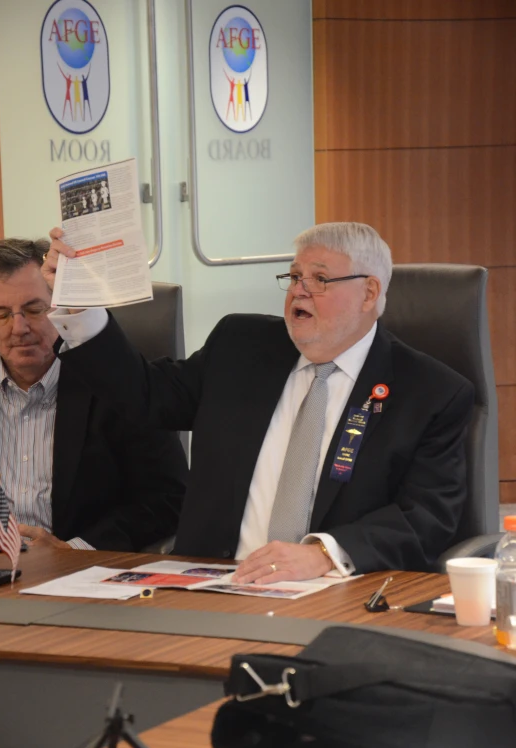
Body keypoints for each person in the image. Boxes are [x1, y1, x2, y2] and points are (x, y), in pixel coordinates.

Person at [43, 222, 473, 578]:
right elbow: (145, 395)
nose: (298, 291)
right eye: (294, 276)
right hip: (209, 584)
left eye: (319, 279)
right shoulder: (241, 347)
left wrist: (323, 555)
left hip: (337, 591)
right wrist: (81, 306)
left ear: (368, 293)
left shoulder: (430, 392)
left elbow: (426, 517)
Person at [0, 238, 188, 551]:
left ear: (62, 309)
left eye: (34, 310)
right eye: (1, 314)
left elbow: (169, 499)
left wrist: (73, 551)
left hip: (80, 570)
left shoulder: (119, 385)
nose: (18, 328)